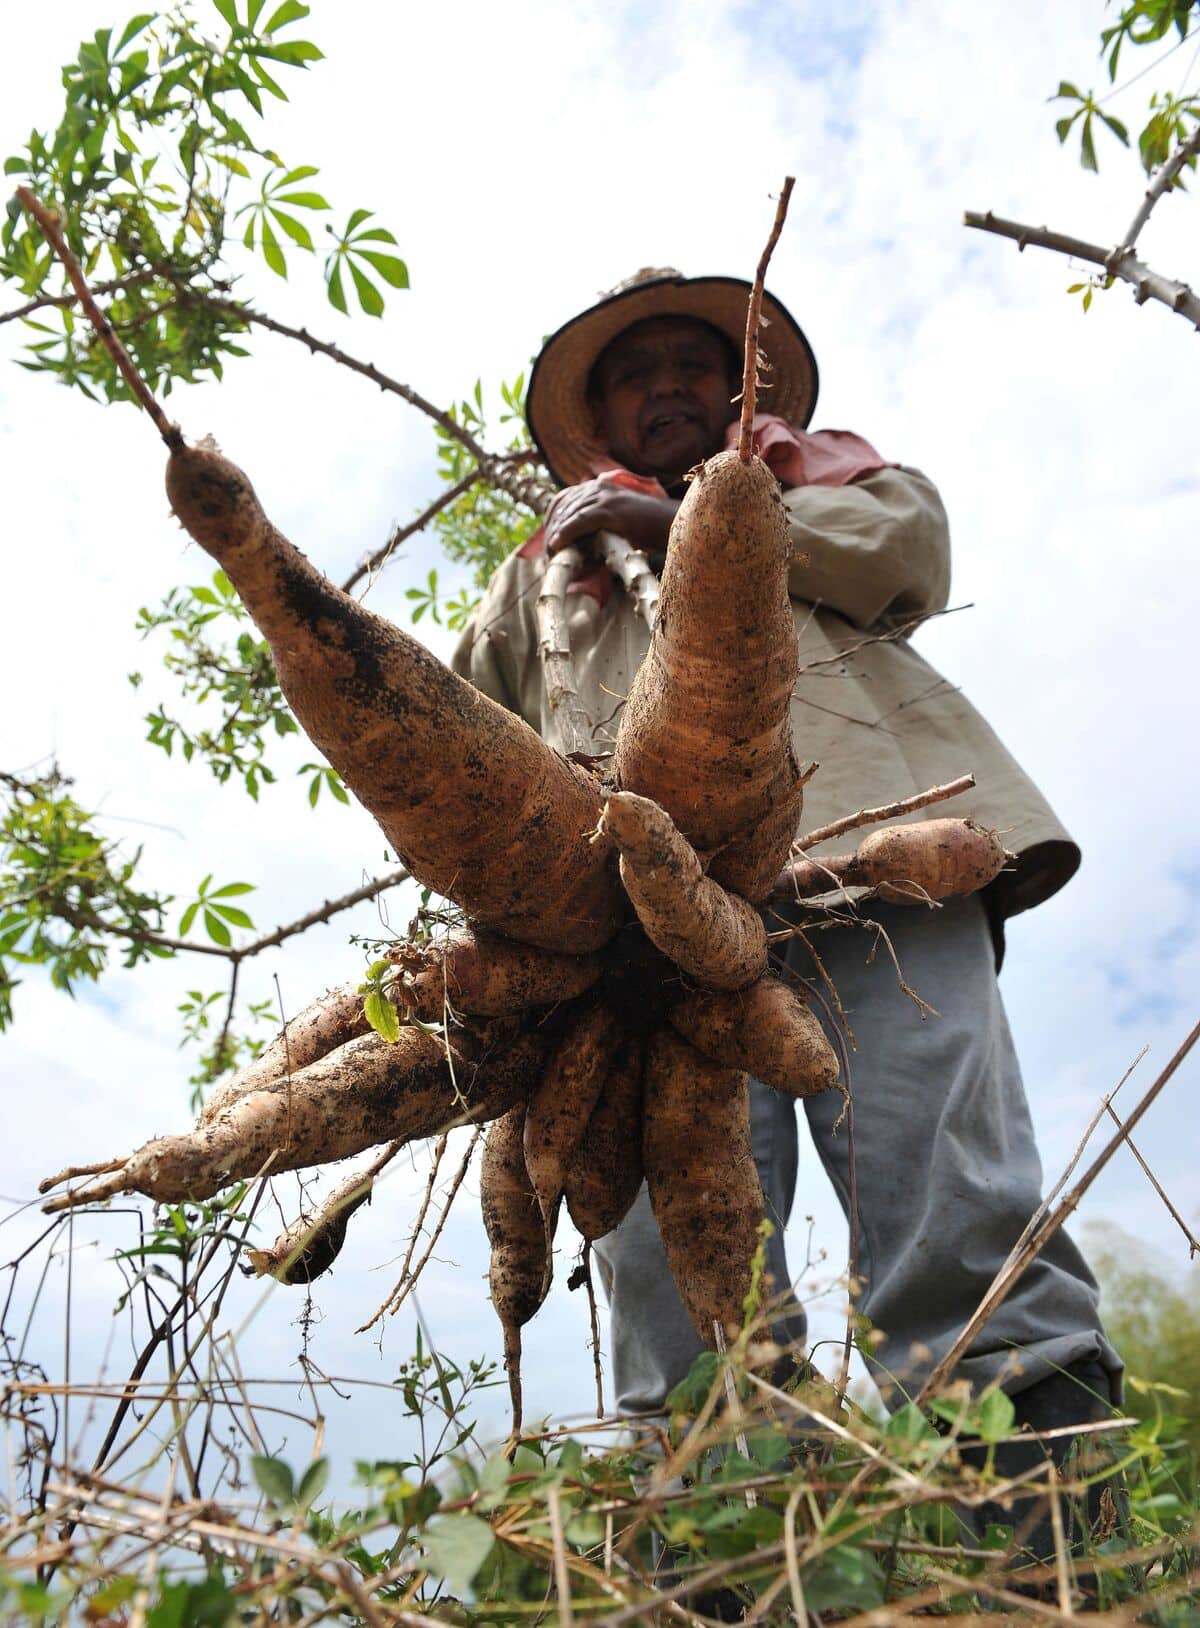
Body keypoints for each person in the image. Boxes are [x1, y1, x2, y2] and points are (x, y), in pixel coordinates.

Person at [451, 268, 1121, 1484]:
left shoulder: (818, 480)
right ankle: (732, 1515)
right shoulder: (542, 572)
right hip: (637, 930)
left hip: (871, 857)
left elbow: (908, 551)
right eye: (635, 374)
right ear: (599, 418)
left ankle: (1046, 1519)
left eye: (691, 365)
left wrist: (685, 523)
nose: (666, 387)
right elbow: (466, 745)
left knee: (944, 1193)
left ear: (737, 388)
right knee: (672, 1262)